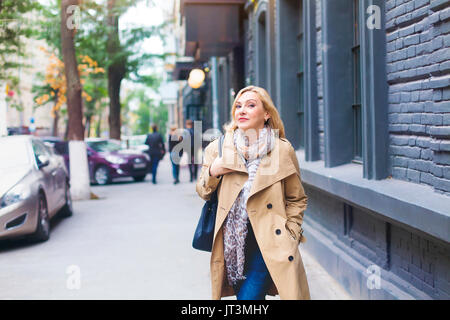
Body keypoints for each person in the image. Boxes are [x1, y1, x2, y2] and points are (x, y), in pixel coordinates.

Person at [196, 85, 310, 300]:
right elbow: (202, 191)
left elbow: (297, 198)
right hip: (232, 243)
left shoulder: (282, 149)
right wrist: (214, 170)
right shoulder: (218, 149)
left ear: (266, 114)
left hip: (269, 240)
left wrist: (291, 233)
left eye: (250, 105)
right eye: (238, 106)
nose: (242, 110)